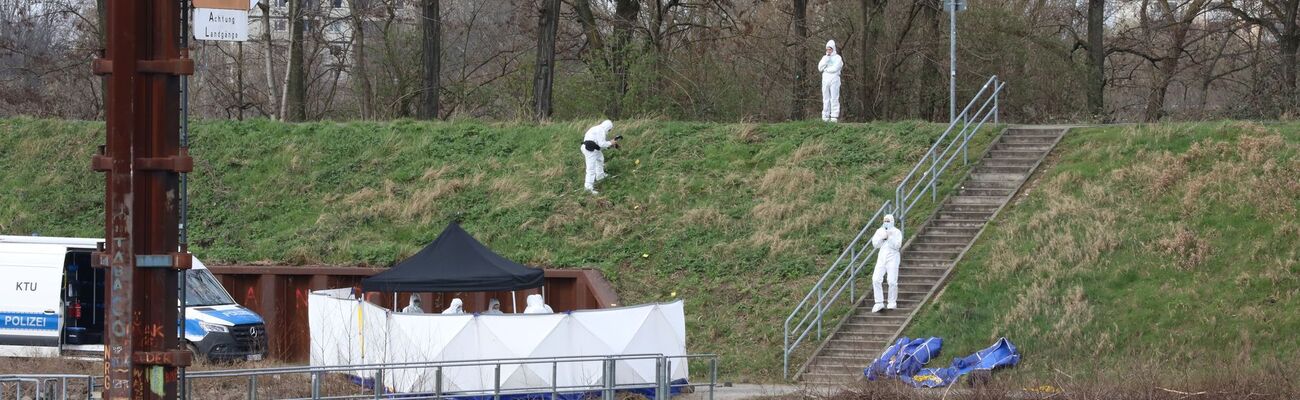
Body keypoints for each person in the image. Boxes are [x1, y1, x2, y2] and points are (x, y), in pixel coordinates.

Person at [870, 214, 903, 313]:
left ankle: (892, 302)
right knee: (876, 279)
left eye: (888, 221)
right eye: (885, 220)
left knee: (892, 280)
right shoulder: (879, 231)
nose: (886, 222)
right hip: (881, 257)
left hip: (893, 257)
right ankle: (879, 302)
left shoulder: (896, 232)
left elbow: (897, 245)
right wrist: (882, 238)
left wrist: (889, 237)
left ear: (892, 221)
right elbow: (875, 244)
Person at [580, 120, 618, 195]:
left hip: (592, 148)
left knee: (600, 159)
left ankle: (600, 175)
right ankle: (588, 188)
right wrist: (611, 142)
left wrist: (610, 145)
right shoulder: (601, 130)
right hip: (590, 150)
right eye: (609, 130)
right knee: (591, 169)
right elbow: (601, 144)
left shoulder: (597, 128)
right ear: (608, 127)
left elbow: (598, 145)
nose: (609, 131)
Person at [818, 40, 843, 122]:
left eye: (830, 49)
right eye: (827, 49)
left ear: (833, 49)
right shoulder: (824, 58)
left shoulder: (838, 58)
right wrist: (826, 60)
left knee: (834, 97)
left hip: (834, 79)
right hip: (825, 79)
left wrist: (827, 69)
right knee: (825, 98)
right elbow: (820, 68)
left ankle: (834, 116)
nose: (828, 51)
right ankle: (825, 115)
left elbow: (836, 68)